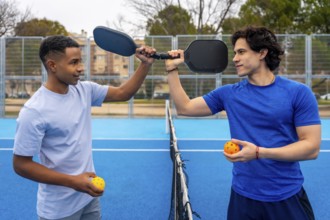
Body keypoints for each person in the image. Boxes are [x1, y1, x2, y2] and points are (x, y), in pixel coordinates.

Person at [165, 26, 321, 220]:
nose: (234, 59)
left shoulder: (298, 93)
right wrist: (172, 69)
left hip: (287, 197)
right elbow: (185, 107)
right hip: (243, 198)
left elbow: (311, 148)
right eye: (234, 53)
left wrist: (259, 153)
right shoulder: (228, 94)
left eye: (241, 52)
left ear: (262, 53)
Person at [13, 35, 156, 219]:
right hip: (58, 210)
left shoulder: (84, 89)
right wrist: (74, 182)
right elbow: (21, 165)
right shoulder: (34, 111)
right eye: (74, 62)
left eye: (80, 61)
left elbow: (123, 93)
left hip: (87, 198)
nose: (81, 68)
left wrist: (145, 65)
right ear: (52, 65)